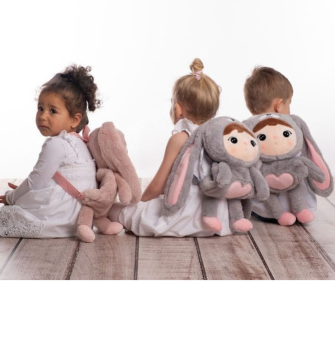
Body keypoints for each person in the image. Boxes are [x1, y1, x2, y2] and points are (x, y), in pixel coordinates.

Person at [0, 65, 102, 238]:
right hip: (73, 217)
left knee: (9, 216)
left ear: (74, 120)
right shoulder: (79, 143)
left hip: (57, 218)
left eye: (53, 111)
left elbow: (35, 182)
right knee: (12, 212)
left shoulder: (57, 144)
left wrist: (12, 196)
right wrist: (20, 194)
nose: (43, 116)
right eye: (40, 108)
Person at [109, 58, 231, 237]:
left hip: (185, 212)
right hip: (217, 214)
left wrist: (140, 204)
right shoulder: (219, 137)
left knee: (117, 210)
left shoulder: (181, 138)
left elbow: (158, 185)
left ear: (178, 109)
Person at [243, 66, 317, 221]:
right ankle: (301, 210)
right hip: (297, 202)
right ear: (279, 105)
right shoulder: (292, 127)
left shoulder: (246, 129)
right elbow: (308, 155)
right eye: (289, 103)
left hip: (263, 208)